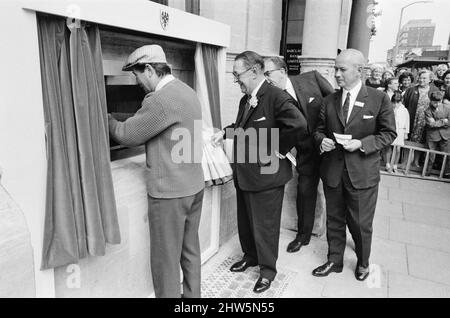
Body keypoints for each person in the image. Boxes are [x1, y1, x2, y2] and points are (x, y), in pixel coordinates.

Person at [108, 45, 205, 298]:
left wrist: (103, 117)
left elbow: (126, 134)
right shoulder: (186, 91)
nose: (137, 82)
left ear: (149, 69)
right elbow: (148, 119)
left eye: (137, 75)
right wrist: (120, 116)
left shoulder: (160, 100)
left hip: (169, 194)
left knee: (165, 263)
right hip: (193, 187)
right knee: (190, 252)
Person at [212, 51, 307, 293]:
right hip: (245, 173)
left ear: (254, 71)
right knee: (246, 220)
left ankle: (267, 270)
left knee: (265, 225)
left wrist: (280, 149)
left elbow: (299, 125)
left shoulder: (276, 96)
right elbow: (243, 127)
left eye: (238, 75)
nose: (237, 81)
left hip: (267, 176)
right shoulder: (246, 99)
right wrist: (225, 132)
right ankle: (250, 256)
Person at [313, 49, 396, 281]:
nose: (337, 74)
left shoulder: (379, 99)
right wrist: (322, 141)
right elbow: (318, 130)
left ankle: (363, 261)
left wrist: (362, 143)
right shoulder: (329, 100)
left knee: (360, 224)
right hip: (333, 171)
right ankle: (334, 260)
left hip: (362, 174)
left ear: (359, 70)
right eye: (336, 69)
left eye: (342, 69)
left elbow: (388, 133)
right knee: (335, 220)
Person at [263, 56, 334, 254]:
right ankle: (303, 236)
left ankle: (339, 240)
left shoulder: (312, 79)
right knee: (304, 193)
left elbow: (335, 104)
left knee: (337, 194)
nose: (266, 78)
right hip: (305, 153)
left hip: (330, 149)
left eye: (268, 73)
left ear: (283, 71)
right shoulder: (272, 96)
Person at [403, 70, 440, 167]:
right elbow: (404, 104)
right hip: (412, 119)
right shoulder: (411, 90)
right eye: (420, 77)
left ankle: (416, 162)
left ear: (430, 79)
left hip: (425, 121)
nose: (421, 80)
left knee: (422, 141)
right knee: (408, 139)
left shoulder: (434, 90)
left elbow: (437, 106)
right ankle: (405, 161)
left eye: (424, 78)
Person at [382, 91, 410, 173]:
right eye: (394, 102)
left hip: (400, 131)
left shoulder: (404, 110)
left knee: (398, 149)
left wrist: (406, 133)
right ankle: (387, 164)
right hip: (391, 130)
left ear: (401, 102)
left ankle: (395, 165)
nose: (396, 104)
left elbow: (407, 122)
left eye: (398, 102)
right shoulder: (389, 109)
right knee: (388, 147)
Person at [424, 91, 450, 178]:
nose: (436, 104)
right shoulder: (427, 111)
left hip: (445, 135)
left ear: (441, 100)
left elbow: (449, 122)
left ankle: (446, 173)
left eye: (439, 102)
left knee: (446, 155)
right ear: (430, 101)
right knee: (430, 154)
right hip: (432, 135)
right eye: (434, 102)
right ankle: (427, 171)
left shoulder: (448, 108)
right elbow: (431, 124)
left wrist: (437, 122)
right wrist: (444, 121)